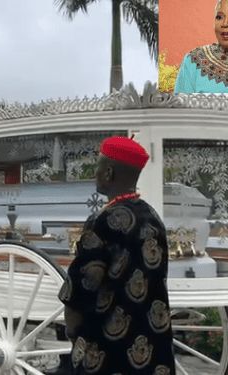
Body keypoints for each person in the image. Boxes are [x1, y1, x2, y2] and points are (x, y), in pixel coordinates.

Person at [58, 136, 174, 374]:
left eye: (98, 167)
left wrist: (73, 332)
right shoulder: (152, 217)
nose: (96, 173)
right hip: (152, 340)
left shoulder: (102, 220)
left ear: (109, 172)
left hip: (107, 346)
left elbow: (82, 287)